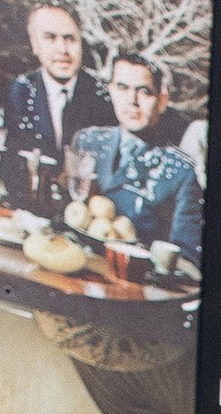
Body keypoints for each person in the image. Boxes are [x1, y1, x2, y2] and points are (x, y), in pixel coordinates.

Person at [74, 53, 202, 265]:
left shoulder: (181, 172)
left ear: (161, 101)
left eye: (144, 91)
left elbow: (186, 259)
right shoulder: (87, 142)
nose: (132, 101)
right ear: (111, 91)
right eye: (122, 88)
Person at [2, 0, 113, 215]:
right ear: (34, 45)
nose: (62, 49)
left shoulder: (102, 97)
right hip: (27, 212)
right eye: (50, 38)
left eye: (70, 39)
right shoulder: (21, 90)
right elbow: (11, 166)